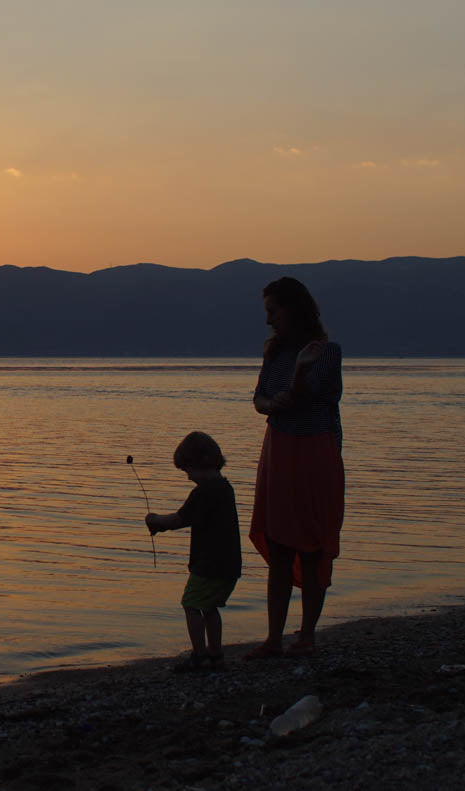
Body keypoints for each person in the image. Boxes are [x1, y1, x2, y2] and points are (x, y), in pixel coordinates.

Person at [245, 276, 345, 659]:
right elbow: (260, 398)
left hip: (315, 452)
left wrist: (299, 375)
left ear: (293, 308)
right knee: (280, 543)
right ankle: (273, 638)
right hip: (280, 450)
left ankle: (306, 635)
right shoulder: (274, 352)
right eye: (267, 311)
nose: (268, 320)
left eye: (273, 311)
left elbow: (320, 398)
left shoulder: (327, 352)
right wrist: (272, 404)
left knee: (312, 544)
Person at [145, 431, 242, 672]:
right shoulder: (224, 488)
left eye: (188, 470)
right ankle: (216, 655)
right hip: (229, 564)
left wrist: (156, 520)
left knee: (191, 604)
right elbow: (192, 519)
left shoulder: (205, 491)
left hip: (209, 564)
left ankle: (199, 655)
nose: (188, 477)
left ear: (201, 463)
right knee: (209, 607)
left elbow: (180, 519)